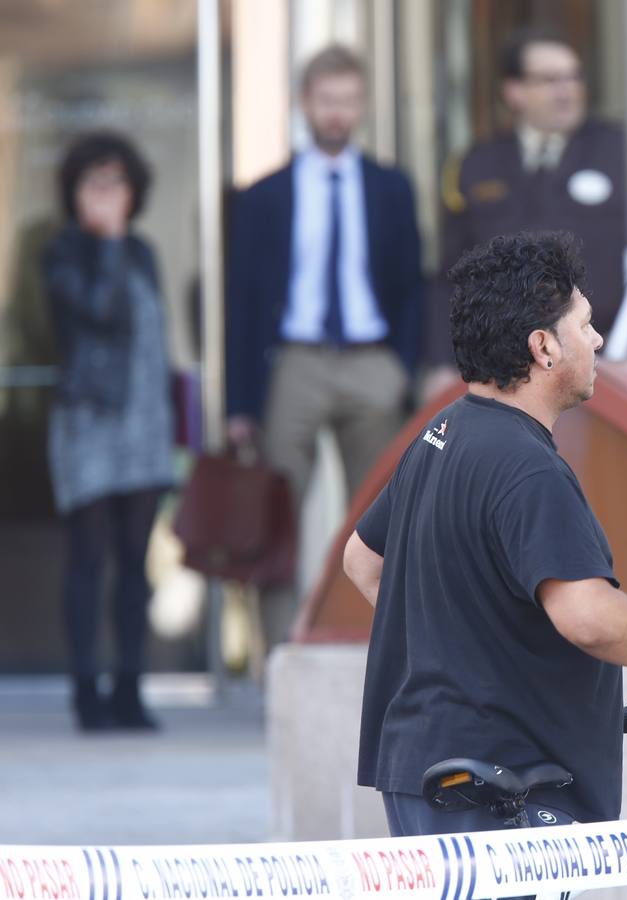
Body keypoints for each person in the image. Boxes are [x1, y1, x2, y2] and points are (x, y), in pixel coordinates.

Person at [343, 231, 627, 837]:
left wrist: (464, 653)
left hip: (425, 770)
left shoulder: (443, 433)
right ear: (543, 347)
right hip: (503, 787)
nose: (597, 339)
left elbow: (362, 562)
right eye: (584, 324)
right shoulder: (528, 468)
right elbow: (588, 615)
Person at [225, 45, 423, 647]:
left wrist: (403, 369)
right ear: (305, 104)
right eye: (326, 100)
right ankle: (280, 656)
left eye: (347, 101)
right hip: (296, 362)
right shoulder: (264, 196)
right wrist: (239, 404)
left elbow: (413, 284)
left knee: (383, 518)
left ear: (361, 106)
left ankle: (373, 651)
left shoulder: (391, 188)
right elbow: (241, 303)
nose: (337, 113)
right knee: (278, 514)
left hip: (372, 362)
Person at [44, 132, 174, 731]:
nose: (106, 194)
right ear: (73, 192)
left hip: (144, 423)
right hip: (89, 422)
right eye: (93, 183)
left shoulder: (143, 251)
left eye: (116, 182)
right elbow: (101, 310)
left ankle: (129, 687)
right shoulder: (63, 253)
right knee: (87, 560)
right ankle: (84, 692)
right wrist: (108, 242)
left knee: (134, 563)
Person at [425, 27, 627, 396]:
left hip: (607, 362)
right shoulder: (476, 165)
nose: (567, 91)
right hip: (504, 370)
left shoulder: (622, 153)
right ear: (514, 91)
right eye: (550, 80)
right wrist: (441, 363)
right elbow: (448, 276)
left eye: (574, 77)